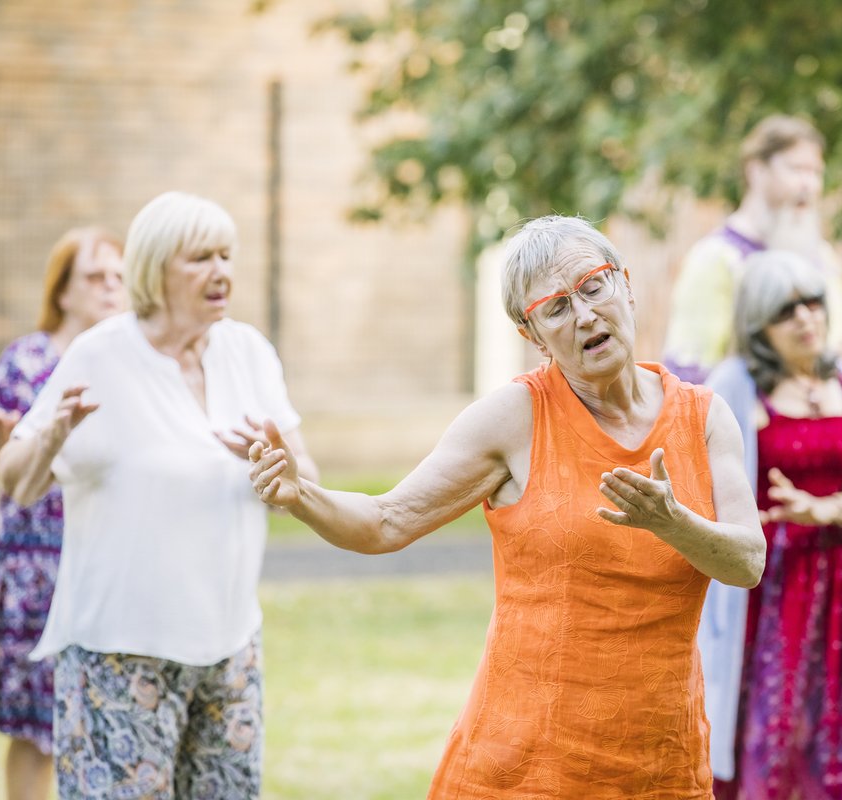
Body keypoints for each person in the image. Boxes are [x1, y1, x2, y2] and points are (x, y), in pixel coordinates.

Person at [247, 215, 767, 797]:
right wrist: (303, 495)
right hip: (524, 768)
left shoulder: (704, 417)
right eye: (556, 308)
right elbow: (386, 521)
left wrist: (672, 524)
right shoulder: (514, 419)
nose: (585, 315)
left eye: (593, 286)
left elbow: (747, 562)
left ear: (625, 284)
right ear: (533, 336)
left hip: (662, 767)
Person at [0, 191, 318, 800]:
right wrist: (52, 436)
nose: (221, 272)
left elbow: (303, 481)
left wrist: (276, 469)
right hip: (118, 657)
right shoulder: (101, 354)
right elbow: (17, 479)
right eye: (201, 258)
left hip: (229, 649)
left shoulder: (248, 352)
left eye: (226, 255)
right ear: (154, 269)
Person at [696, 250, 842, 799]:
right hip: (761, 582)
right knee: (766, 721)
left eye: (813, 303)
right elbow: (705, 484)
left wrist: (828, 509)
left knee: (827, 716)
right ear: (759, 325)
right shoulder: (735, 384)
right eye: (787, 311)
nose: (807, 318)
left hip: (830, 576)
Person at [0, 227, 127, 800]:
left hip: (104, 563)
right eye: (95, 276)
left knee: (104, 724)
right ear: (62, 290)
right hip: (32, 571)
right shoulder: (27, 361)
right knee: (34, 733)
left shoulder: (129, 362)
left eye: (119, 277)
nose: (110, 288)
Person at [662, 114, 842, 384]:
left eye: (816, 173)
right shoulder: (714, 258)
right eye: (796, 169)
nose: (809, 184)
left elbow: (839, 344)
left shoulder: (824, 258)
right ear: (756, 171)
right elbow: (687, 372)